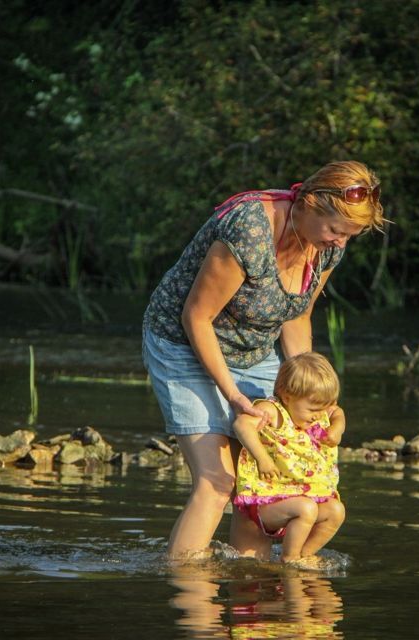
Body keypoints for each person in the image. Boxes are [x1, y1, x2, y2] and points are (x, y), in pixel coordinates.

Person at [142, 160, 384, 560]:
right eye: (336, 231)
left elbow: (297, 314)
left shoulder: (325, 248)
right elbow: (196, 317)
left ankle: (248, 595)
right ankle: (191, 601)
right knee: (218, 480)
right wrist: (234, 395)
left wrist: (309, 381)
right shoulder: (250, 229)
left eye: (350, 236)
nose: (341, 243)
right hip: (183, 341)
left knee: (262, 482)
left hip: (254, 347)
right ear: (307, 203)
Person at [232, 352, 346, 564]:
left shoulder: (319, 411)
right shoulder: (273, 411)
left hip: (299, 498)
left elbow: (337, 412)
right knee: (306, 508)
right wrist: (262, 458)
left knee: (336, 511)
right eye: (313, 409)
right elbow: (242, 425)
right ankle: (290, 559)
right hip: (265, 501)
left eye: (322, 409)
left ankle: (305, 555)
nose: (318, 416)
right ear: (286, 397)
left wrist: (337, 429)